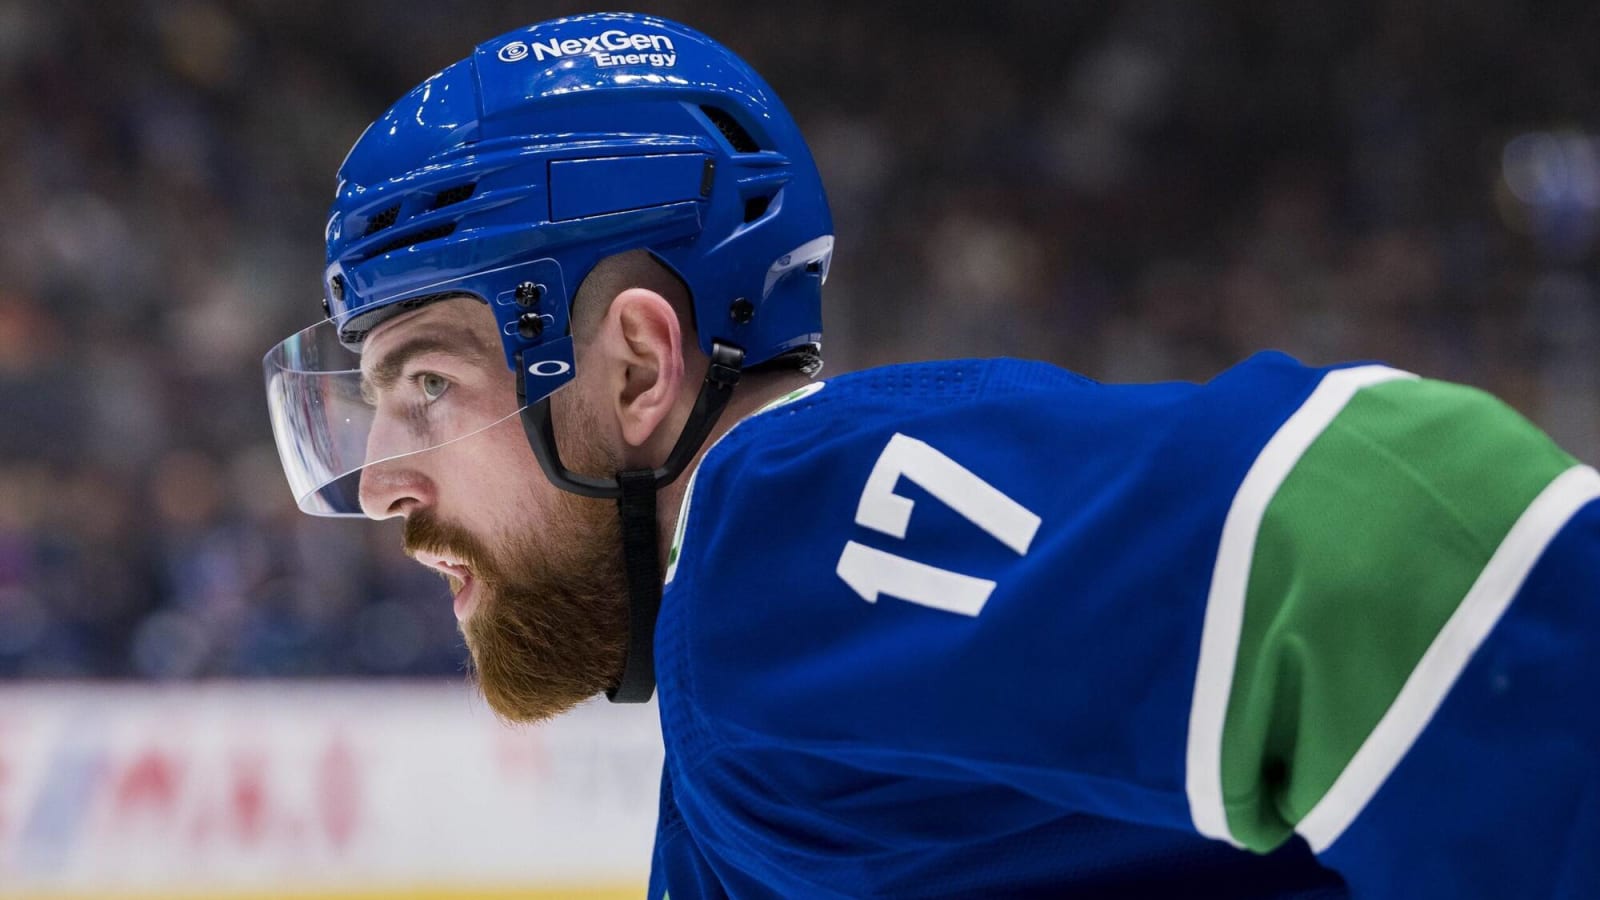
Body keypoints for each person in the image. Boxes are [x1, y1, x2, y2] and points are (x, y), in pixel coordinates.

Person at [262, 13, 1600, 899]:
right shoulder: (738, 747)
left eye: (424, 382)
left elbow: (1396, 518)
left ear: (633, 369)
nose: (382, 476)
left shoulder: (776, 563)